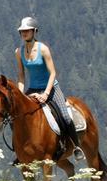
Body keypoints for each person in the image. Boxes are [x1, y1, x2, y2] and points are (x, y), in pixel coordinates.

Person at [14, 16, 85, 162]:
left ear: (34, 32)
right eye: (22, 31)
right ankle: (19, 150)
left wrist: (46, 94)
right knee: (15, 116)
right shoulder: (18, 52)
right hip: (32, 88)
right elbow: (21, 76)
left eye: (27, 31)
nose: (24, 34)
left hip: (51, 88)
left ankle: (76, 146)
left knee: (65, 116)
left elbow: (53, 73)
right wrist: (20, 95)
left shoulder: (43, 49)